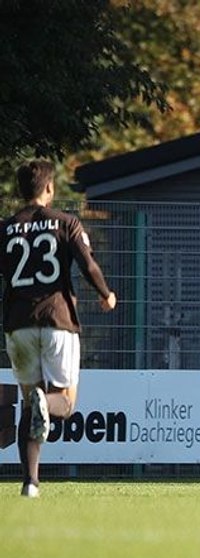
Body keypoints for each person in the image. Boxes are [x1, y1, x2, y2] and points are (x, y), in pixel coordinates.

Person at [2, 159, 117, 498]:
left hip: (18, 324)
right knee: (64, 403)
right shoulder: (65, 223)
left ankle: (30, 484)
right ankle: (44, 402)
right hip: (57, 320)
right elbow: (88, 265)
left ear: (22, 190)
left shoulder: (6, 227)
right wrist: (107, 295)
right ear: (49, 188)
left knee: (29, 406)